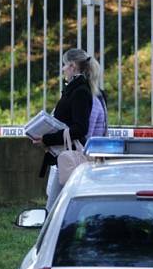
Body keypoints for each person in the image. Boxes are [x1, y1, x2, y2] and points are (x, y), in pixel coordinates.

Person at [32, 48, 105, 211]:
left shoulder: (80, 92)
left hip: (68, 157)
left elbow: (80, 128)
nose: (63, 69)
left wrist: (47, 139)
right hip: (62, 156)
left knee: (55, 209)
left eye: (65, 65)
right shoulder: (76, 89)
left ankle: (52, 235)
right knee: (56, 208)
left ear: (72, 66)